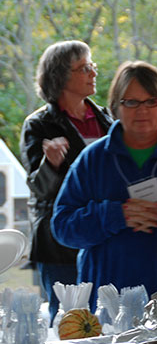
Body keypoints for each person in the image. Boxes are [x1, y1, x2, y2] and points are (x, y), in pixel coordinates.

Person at [51, 61, 157, 310]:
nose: (142, 110)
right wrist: (116, 214)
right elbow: (62, 227)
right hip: (111, 303)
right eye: (131, 102)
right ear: (116, 105)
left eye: (152, 101)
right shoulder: (93, 158)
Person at [20, 40, 113, 324]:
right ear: (61, 75)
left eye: (92, 66)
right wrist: (50, 164)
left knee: (107, 317)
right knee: (68, 321)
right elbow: (39, 188)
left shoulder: (107, 119)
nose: (93, 73)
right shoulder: (38, 125)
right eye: (84, 68)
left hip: (104, 235)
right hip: (61, 244)